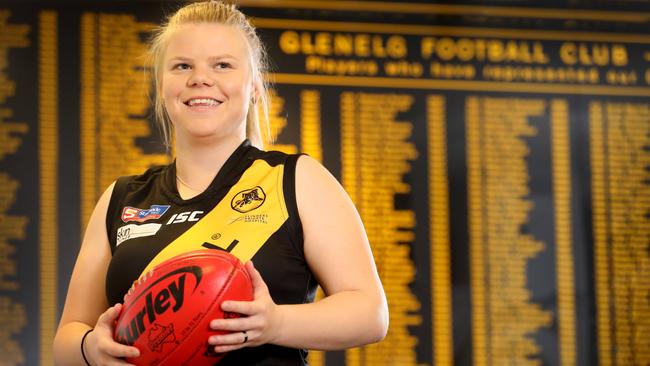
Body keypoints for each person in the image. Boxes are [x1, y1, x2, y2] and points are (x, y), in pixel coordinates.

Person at [53, 1, 388, 365]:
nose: (200, 78)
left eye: (222, 65)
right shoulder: (122, 198)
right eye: (182, 66)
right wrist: (90, 348)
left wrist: (275, 323)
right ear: (162, 87)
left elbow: (369, 313)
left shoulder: (297, 180)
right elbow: (69, 336)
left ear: (256, 86)